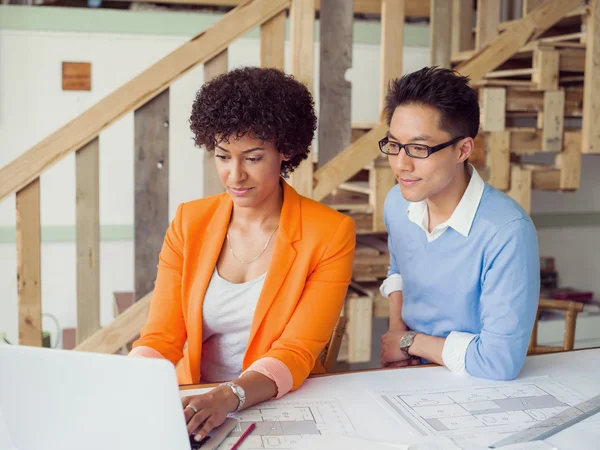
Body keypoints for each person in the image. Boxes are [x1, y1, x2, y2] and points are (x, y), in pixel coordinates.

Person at [129, 67, 355, 441]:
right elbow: (160, 338)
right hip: (195, 402)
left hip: (276, 400)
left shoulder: (330, 234)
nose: (234, 175)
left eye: (252, 158)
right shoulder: (190, 221)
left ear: (285, 150)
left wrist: (230, 394)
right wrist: (125, 383)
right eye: (222, 156)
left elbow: (296, 351)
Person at [378, 67, 540, 381]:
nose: (401, 164)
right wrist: (396, 334)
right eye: (394, 145)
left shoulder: (507, 231)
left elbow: (499, 362)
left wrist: (411, 343)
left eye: (419, 149)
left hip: (477, 382)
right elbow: (398, 270)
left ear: (463, 150)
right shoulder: (397, 203)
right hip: (409, 374)